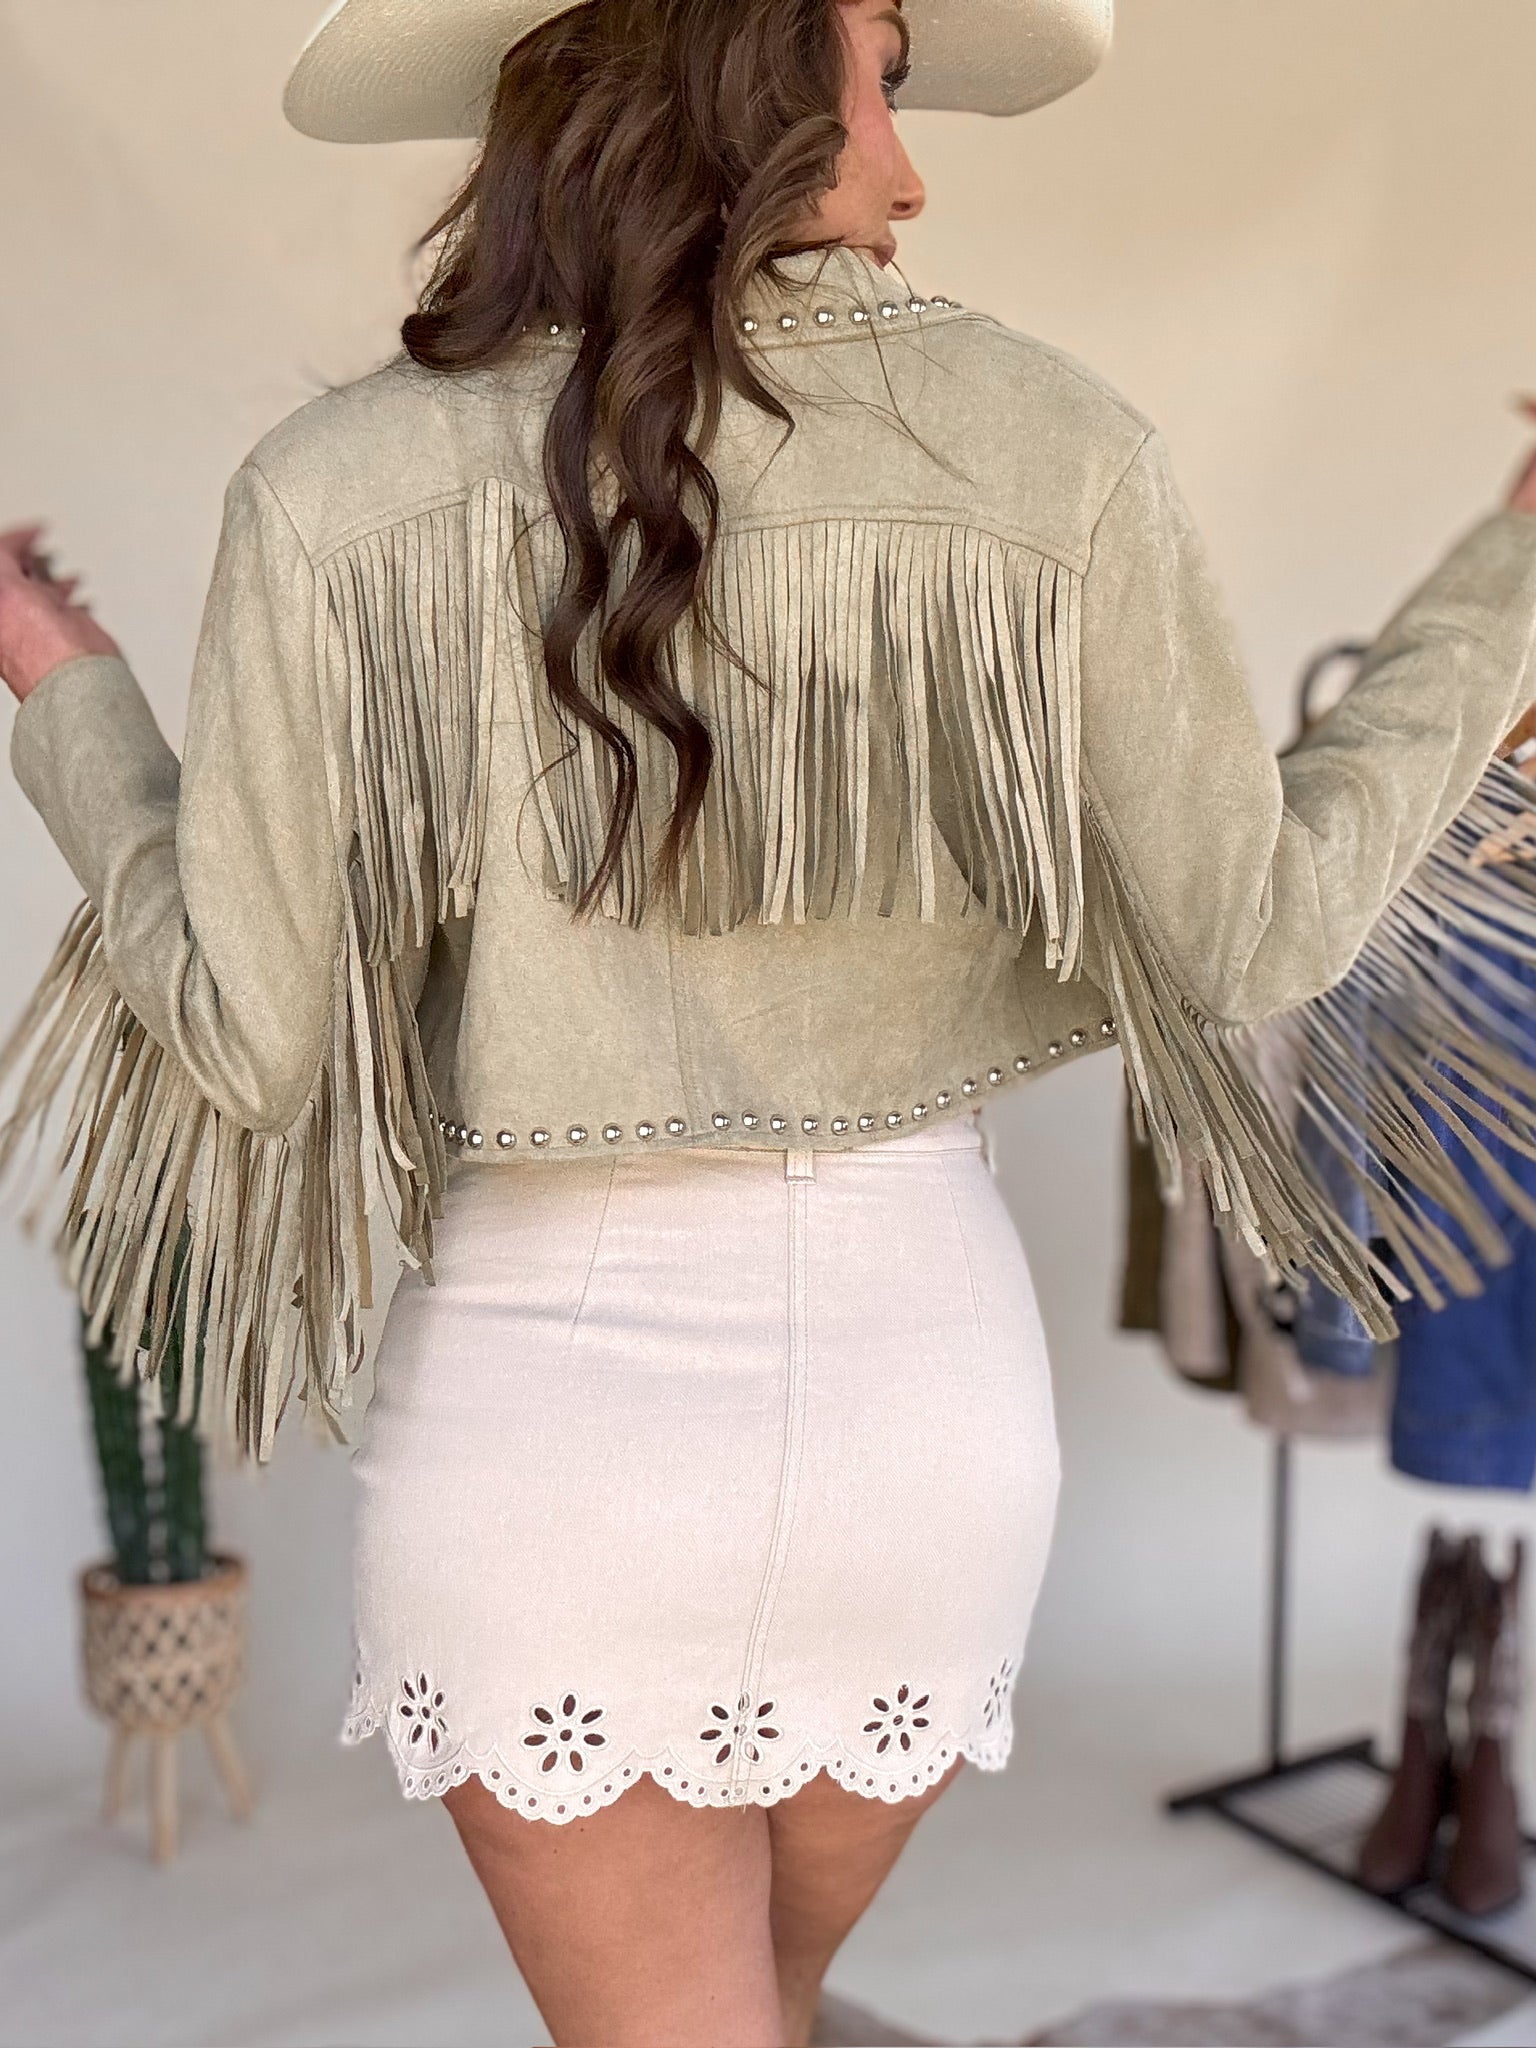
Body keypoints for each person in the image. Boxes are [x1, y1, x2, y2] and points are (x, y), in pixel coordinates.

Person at [3, 3, 1536, 2042]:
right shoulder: (1051, 444)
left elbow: (251, 1037)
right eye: (881, 74)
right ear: (740, 74)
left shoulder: (334, 492)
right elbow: (1262, 933)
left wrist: (62, 688)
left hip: (550, 1439)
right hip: (925, 1400)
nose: (910, 166)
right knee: (772, 2011)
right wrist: (1509, 569)